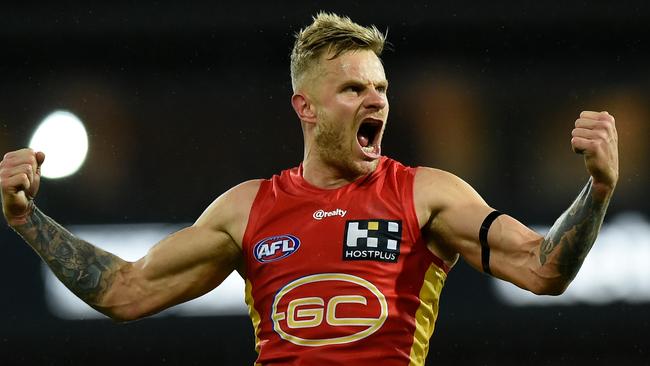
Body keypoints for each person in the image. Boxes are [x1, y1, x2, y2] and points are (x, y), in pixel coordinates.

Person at [0, 13, 618, 365]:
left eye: (380, 88)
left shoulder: (426, 195)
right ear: (307, 107)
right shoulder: (248, 209)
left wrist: (596, 189)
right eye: (353, 89)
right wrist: (30, 220)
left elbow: (543, 270)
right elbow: (124, 291)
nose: (374, 98)